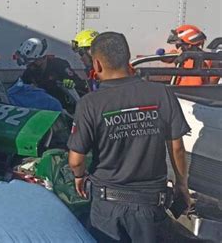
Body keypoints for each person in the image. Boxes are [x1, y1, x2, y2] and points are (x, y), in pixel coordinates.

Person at [67, 32, 191, 243]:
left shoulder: (90, 103)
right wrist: (182, 185)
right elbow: (177, 148)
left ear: (97, 65)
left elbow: (76, 160)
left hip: (107, 206)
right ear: (128, 57)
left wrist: (79, 176)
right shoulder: (161, 93)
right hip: (151, 205)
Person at [15, 38, 88, 104]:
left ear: (43, 58)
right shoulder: (29, 73)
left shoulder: (59, 65)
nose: (30, 66)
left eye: (32, 62)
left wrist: (72, 84)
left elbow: (81, 85)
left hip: (65, 110)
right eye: (28, 64)